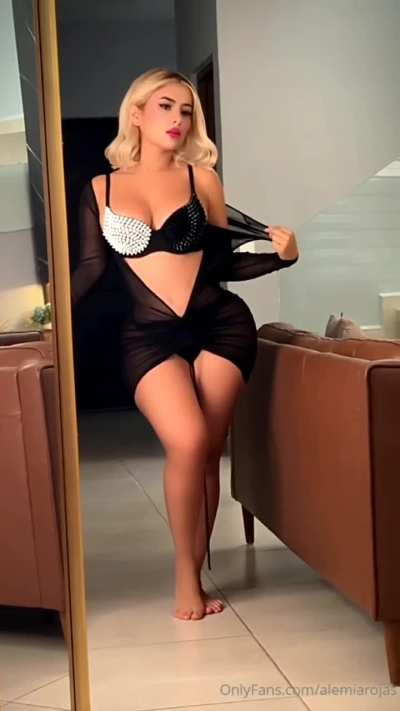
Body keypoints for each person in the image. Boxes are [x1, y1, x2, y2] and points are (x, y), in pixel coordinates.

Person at [71, 67, 299, 622]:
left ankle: (192, 575)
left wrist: (282, 258)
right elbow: (91, 269)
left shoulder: (202, 180)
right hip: (149, 336)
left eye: (187, 110)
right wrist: (51, 318)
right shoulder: (100, 189)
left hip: (220, 326)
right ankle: (184, 570)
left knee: (207, 449)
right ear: (137, 114)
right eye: (166, 106)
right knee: (189, 440)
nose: (178, 119)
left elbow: (222, 264)